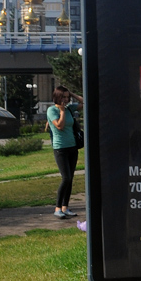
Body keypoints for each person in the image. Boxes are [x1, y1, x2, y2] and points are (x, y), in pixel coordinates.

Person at [47, 85, 83, 219]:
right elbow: (59, 126)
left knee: (70, 179)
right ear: (57, 97)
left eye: (67, 97)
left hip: (72, 147)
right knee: (66, 177)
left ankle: (65, 207)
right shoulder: (52, 110)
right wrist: (61, 111)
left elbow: (83, 103)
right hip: (60, 148)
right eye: (63, 97)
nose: (65, 100)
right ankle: (57, 208)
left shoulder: (69, 108)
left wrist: (72, 94)